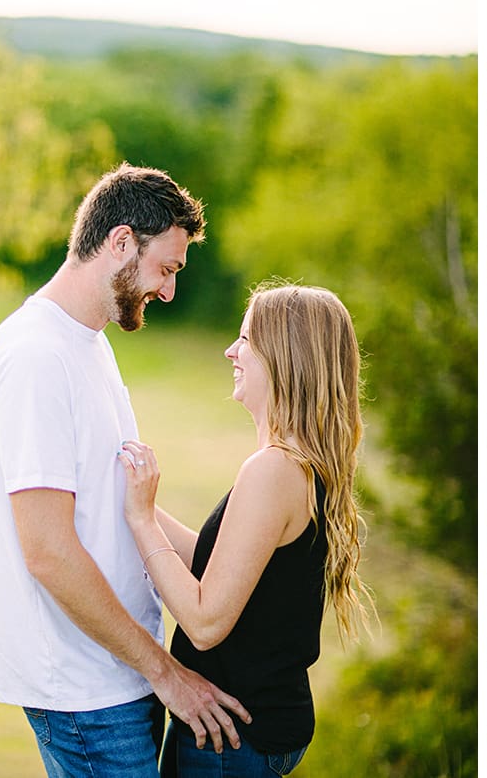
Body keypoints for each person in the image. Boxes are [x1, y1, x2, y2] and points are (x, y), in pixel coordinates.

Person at [0, 163, 249, 778]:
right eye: (166, 269)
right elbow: (47, 551)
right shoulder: (35, 357)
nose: (169, 291)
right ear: (121, 242)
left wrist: (238, 564)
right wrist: (165, 672)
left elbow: (122, 508)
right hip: (84, 694)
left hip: (120, 676)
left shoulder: (88, 343)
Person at [119, 281, 374, 777]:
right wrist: (129, 503)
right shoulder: (300, 466)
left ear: (285, 358)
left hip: (230, 742)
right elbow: (221, 570)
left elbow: (206, 621)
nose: (230, 351)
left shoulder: (273, 471)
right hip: (253, 732)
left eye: (246, 341)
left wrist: (140, 519)